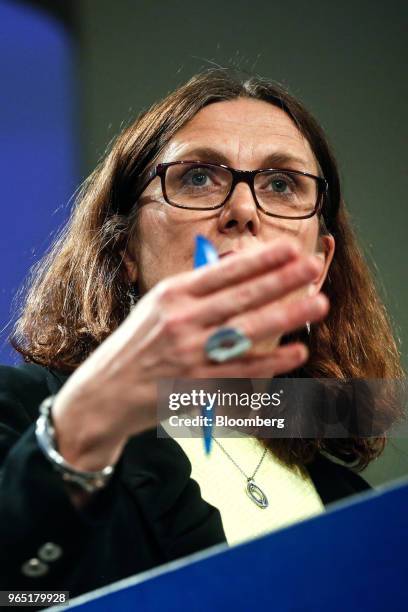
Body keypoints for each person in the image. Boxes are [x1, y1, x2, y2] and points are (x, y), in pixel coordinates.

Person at [0, 68, 403, 599]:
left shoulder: (352, 505)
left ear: (319, 261)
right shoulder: (20, 412)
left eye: (281, 185)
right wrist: (83, 429)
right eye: (197, 177)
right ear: (125, 250)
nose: (242, 210)